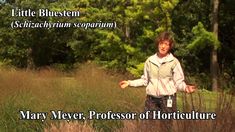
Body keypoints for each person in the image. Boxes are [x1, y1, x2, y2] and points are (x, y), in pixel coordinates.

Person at [119, 31, 196, 114]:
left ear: (169, 47)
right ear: (158, 44)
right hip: (151, 99)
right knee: (147, 124)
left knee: (166, 126)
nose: (163, 46)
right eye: (161, 43)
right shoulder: (149, 61)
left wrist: (185, 88)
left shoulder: (174, 62)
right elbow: (145, 80)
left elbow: (178, 82)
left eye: (166, 44)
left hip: (168, 99)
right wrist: (129, 83)